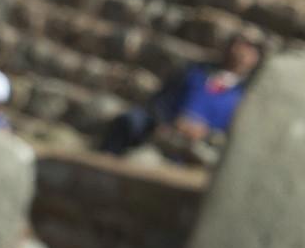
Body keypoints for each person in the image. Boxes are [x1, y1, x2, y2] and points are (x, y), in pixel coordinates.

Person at [98, 34, 263, 161]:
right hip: (164, 133)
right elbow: (161, 100)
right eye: (239, 44)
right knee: (131, 124)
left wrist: (206, 133)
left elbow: (235, 136)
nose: (240, 52)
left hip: (200, 150)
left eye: (249, 49)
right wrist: (168, 121)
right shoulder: (194, 71)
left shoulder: (245, 97)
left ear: (255, 59)